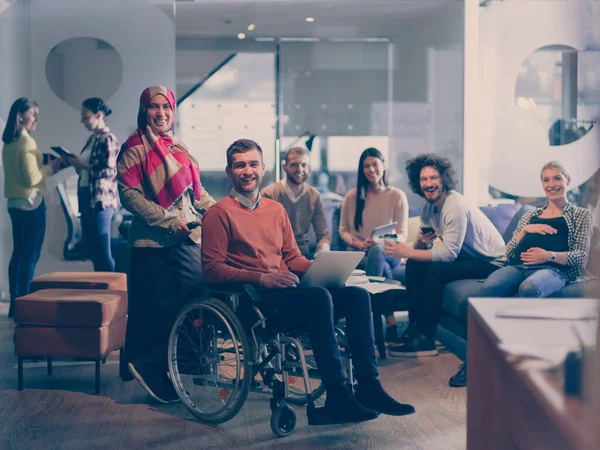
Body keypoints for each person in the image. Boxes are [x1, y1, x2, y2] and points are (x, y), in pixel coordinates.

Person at [202, 139, 415, 425]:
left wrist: (325, 268)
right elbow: (212, 270)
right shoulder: (218, 214)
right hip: (254, 300)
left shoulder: (275, 211)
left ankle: (368, 386)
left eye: (253, 164)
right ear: (229, 171)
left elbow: (292, 257)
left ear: (263, 169)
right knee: (318, 297)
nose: (247, 171)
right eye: (240, 165)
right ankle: (337, 395)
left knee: (356, 296)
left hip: (288, 293)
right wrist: (263, 277)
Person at [117, 85, 216, 403]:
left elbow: (196, 196)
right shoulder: (133, 148)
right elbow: (128, 195)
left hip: (188, 238)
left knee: (196, 295)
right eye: (153, 107)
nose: (161, 113)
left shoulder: (179, 148)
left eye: (167, 107)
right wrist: (169, 220)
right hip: (153, 243)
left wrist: (225, 214)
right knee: (159, 309)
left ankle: (178, 367)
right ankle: (150, 368)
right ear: (144, 110)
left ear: (174, 111)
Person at [383, 153, 505, 387]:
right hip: (467, 258)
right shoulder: (429, 208)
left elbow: (448, 253)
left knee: (435, 271)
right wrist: (418, 244)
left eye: (434, 177)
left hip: (492, 261)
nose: (429, 183)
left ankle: (427, 337)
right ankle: (416, 328)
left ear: (444, 179)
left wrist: (405, 252)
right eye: (423, 179)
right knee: (417, 263)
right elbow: (424, 245)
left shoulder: (455, 205)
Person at [481, 161, 596, 298]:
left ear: (568, 180)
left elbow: (581, 257)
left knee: (530, 288)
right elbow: (509, 252)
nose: (551, 184)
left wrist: (548, 255)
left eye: (557, 178)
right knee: (489, 287)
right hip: (517, 267)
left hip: (553, 270)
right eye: (546, 180)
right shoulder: (530, 215)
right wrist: (525, 230)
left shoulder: (580, 215)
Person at [339, 147, 409, 343]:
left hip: (390, 251)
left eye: (375, 164)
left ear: (384, 166)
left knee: (378, 252)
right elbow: (342, 229)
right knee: (381, 266)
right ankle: (389, 319)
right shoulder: (352, 196)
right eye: (366, 166)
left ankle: (367, 317)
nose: (371, 169)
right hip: (361, 254)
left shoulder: (397, 196)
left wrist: (378, 241)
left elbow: (402, 235)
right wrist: (358, 243)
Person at [2, 98, 64, 318]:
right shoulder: (27, 143)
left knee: (18, 254)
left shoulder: (9, 143)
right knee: (30, 256)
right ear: (20, 115)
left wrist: (43, 166)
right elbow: (32, 178)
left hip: (14, 204)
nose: (37, 118)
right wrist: (50, 168)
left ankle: (15, 303)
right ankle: (25, 305)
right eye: (33, 114)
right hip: (31, 203)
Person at [65, 98, 120, 272]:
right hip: (87, 199)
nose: (82, 121)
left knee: (103, 252)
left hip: (100, 202)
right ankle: (101, 292)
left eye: (85, 116)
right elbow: (87, 172)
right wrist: (77, 164)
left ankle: (112, 293)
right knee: (94, 252)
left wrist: (82, 165)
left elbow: (110, 171)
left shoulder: (108, 139)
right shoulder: (92, 139)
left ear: (98, 115)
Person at [261, 146, 331, 257]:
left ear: (309, 168)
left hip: (303, 253)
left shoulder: (314, 195)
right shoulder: (269, 194)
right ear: (285, 167)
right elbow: (263, 235)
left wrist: (321, 254)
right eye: (294, 164)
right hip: (276, 254)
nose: (299, 169)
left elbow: (323, 235)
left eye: (304, 165)